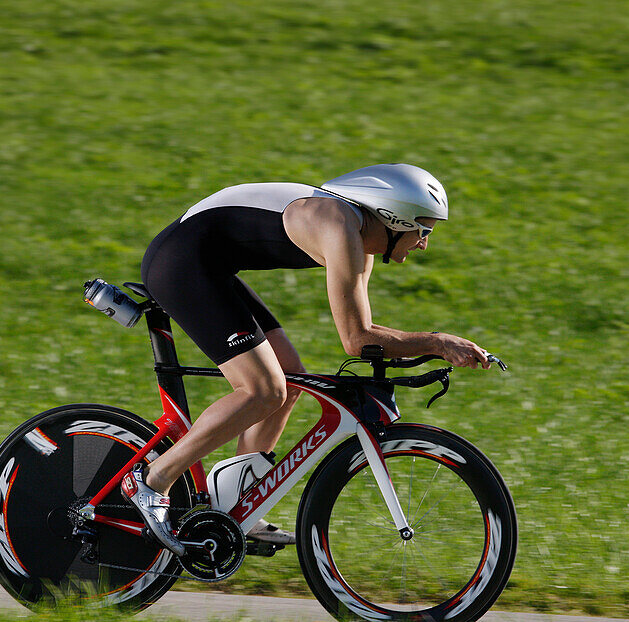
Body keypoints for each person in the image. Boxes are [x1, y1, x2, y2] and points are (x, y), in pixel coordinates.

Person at [122, 164, 495, 556]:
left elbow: (364, 331)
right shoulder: (338, 227)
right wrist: (435, 342)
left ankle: (235, 506)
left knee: (289, 377)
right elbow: (356, 340)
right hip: (180, 263)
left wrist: (427, 344)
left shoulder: (359, 240)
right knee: (263, 389)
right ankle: (153, 480)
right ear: (393, 217)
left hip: (207, 266)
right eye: (423, 229)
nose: (423, 243)